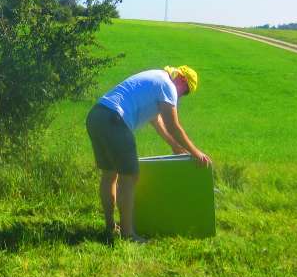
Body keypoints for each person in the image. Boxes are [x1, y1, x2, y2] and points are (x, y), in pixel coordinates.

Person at [85, 66, 211, 243]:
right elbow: (173, 126)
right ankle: (128, 235)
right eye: (186, 91)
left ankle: (110, 227)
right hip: (115, 120)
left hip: (97, 116)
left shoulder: (156, 78)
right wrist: (196, 152)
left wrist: (174, 145)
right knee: (129, 177)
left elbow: (156, 119)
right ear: (182, 80)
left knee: (109, 175)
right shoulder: (167, 85)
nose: (182, 96)